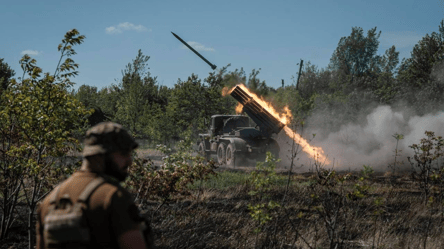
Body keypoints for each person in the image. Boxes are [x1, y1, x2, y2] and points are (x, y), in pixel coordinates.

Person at [36, 122, 153, 249]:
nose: (130, 161)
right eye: (124, 154)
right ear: (100, 155)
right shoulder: (113, 196)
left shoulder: (49, 201)